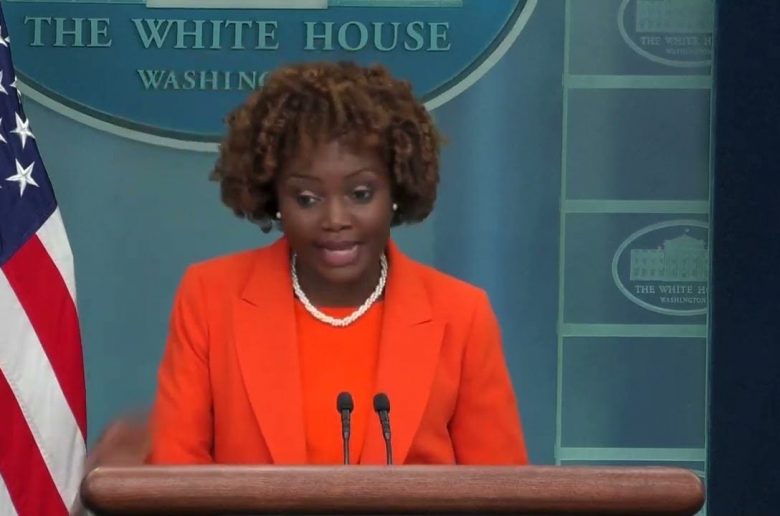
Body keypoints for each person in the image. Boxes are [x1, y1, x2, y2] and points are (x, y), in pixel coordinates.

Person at [146, 61, 528, 465]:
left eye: (361, 194)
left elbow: (499, 488)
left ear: (396, 189)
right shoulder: (210, 299)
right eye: (307, 199)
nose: (335, 219)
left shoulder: (461, 317)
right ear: (275, 198)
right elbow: (175, 473)